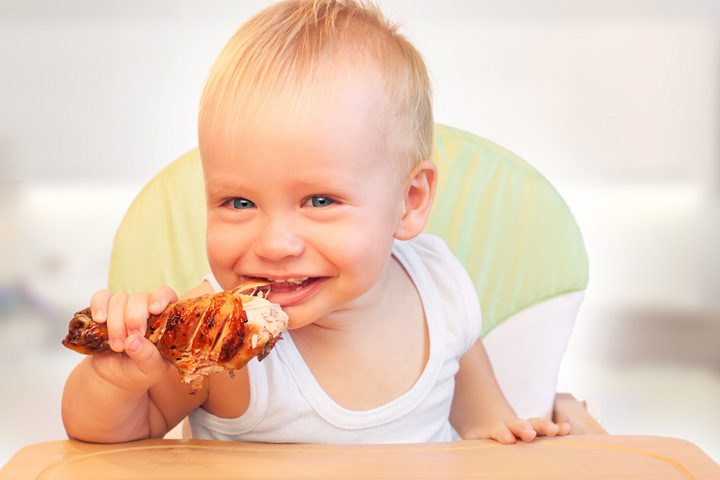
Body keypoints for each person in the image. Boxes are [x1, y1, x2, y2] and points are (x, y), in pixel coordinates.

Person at [62, 0, 570, 444]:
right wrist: (116, 383)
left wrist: (493, 425)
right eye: (239, 203)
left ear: (410, 200)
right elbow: (122, 434)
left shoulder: (438, 285)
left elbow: (471, 391)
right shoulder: (214, 341)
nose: (276, 243)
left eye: (320, 200)